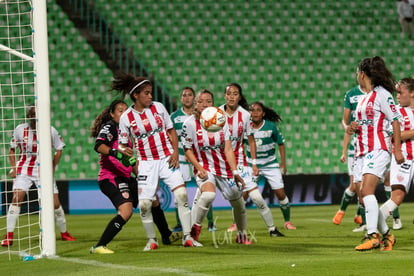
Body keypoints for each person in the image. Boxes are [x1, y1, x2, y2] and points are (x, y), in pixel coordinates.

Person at [114, 73, 200, 251]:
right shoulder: (126, 118)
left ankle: (187, 237)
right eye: (146, 93)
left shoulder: (159, 108)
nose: (150, 96)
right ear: (136, 95)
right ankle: (152, 240)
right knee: (145, 204)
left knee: (182, 195)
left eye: (151, 92)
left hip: (166, 157)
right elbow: (122, 145)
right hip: (146, 162)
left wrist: (175, 152)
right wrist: (125, 151)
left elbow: (171, 131)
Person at [89, 100, 180, 254]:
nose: (124, 113)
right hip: (110, 177)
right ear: (112, 114)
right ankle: (99, 246)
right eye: (119, 110)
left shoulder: (127, 132)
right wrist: (115, 152)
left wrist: (143, 176)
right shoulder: (110, 126)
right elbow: (98, 145)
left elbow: (130, 160)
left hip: (125, 177)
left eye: (125, 110)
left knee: (153, 200)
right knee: (126, 211)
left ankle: (166, 235)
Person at [182, 89, 252, 245]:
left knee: (239, 204)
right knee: (208, 195)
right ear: (195, 104)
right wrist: (199, 168)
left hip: (224, 168)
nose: (204, 104)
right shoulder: (189, 124)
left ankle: (241, 236)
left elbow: (228, 149)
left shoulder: (221, 120)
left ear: (213, 104)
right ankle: (194, 234)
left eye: (208, 101)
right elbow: (187, 149)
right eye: (200, 101)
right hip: (204, 167)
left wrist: (235, 171)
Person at [347, 56, 403, 251]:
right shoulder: (363, 99)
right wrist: (354, 127)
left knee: (367, 191)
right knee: (362, 196)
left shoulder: (382, 94)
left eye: (357, 73)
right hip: (361, 151)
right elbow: (365, 123)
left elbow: (394, 120)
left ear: (362, 74)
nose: (356, 77)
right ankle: (387, 235)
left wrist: (396, 150)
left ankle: (372, 235)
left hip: (378, 149)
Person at [1, 106, 75, 247]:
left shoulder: (50, 130)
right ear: (29, 116)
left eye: (37, 114)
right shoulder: (20, 129)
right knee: (17, 197)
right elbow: (11, 149)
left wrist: (52, 166)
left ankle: (64, 232)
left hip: (44, 171)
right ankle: (8, 236)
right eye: (32, 114)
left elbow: (59, 149)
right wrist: (13, 168)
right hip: (24, 170)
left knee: (55, 203)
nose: (35, 117)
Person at [221, 83, 287, 235]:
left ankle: (272, 229)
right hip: (220, 163)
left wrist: (254, 163)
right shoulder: (217, 114)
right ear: (224, 96)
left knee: (256, 197)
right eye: (229, 93)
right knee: (209, 196)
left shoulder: (245, 115)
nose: (231, 96)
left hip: (241, 163)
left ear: (239, 97)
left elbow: (250, 140)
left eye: (235, 94)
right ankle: (192, 231)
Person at [170, 87, 216, 232]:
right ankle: (180, 224)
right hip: (182, 159)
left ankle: (210, 223)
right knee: (180, 192)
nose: (187, 98)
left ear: (194, 99)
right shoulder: (174, 117)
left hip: (200, 158)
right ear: (181, 98)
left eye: (190, 95)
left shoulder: (206, 116)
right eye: (184, 95)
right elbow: (170, 137)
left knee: (206, 190)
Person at [247, 101, 296, 232]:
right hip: (251, 165)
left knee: (280, 194)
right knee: (243, 194)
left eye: (258, 110)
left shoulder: (271, 127)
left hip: (270, 163)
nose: (255, 112)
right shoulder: (245, 127)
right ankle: (235, 224)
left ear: (263, 114)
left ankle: (287, 221)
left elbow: (281, 143)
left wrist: (283, 163)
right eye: (252, 110)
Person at [378, 78, 414, 250]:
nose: (397, 96)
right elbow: (394, 136)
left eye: (401, 92)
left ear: (412, 93)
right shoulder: (397, 113)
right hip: (404, 158)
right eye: (396, 93)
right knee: (397, 197)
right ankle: (375, 226)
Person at [334, 85, 366, 231]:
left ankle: (361, 217)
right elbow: (348, 130)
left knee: (364, 186)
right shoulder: (351, 95)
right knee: (355, 186)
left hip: (371, 150)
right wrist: (344, 152)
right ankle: (342, 211)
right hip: (356, 151)